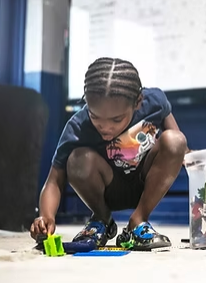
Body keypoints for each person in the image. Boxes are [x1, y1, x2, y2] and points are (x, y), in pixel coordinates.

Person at [30, 57, 189, 250]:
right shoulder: (77, 127)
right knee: (77, 159)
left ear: (138, 102)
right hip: (107, 190)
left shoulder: (154, 101)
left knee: (175, 140)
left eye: (116, 120)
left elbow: (174, 132)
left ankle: (137, 222)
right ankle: (102, 220)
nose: (105, 127)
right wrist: (46, 217)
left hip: (145, 184)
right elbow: (54, 180)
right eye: (95, 117)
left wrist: (186, 154)